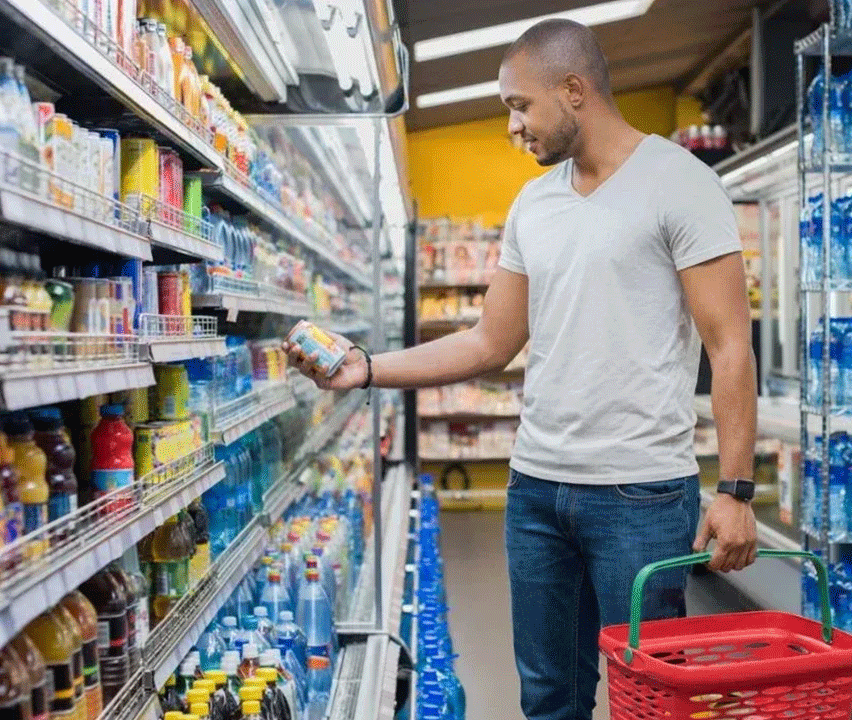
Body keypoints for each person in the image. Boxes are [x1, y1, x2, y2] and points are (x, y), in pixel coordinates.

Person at [285, 18, 758, 720]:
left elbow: (729, 347)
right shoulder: (534, 204)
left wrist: (737, 490)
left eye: (518, 105)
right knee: (548, 698)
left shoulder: (680, 184)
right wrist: (367, 366)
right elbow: (486, 343)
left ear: (574, 90)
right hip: (537, 491)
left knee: (651, 700)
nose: (512, 127)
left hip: (642, 496)